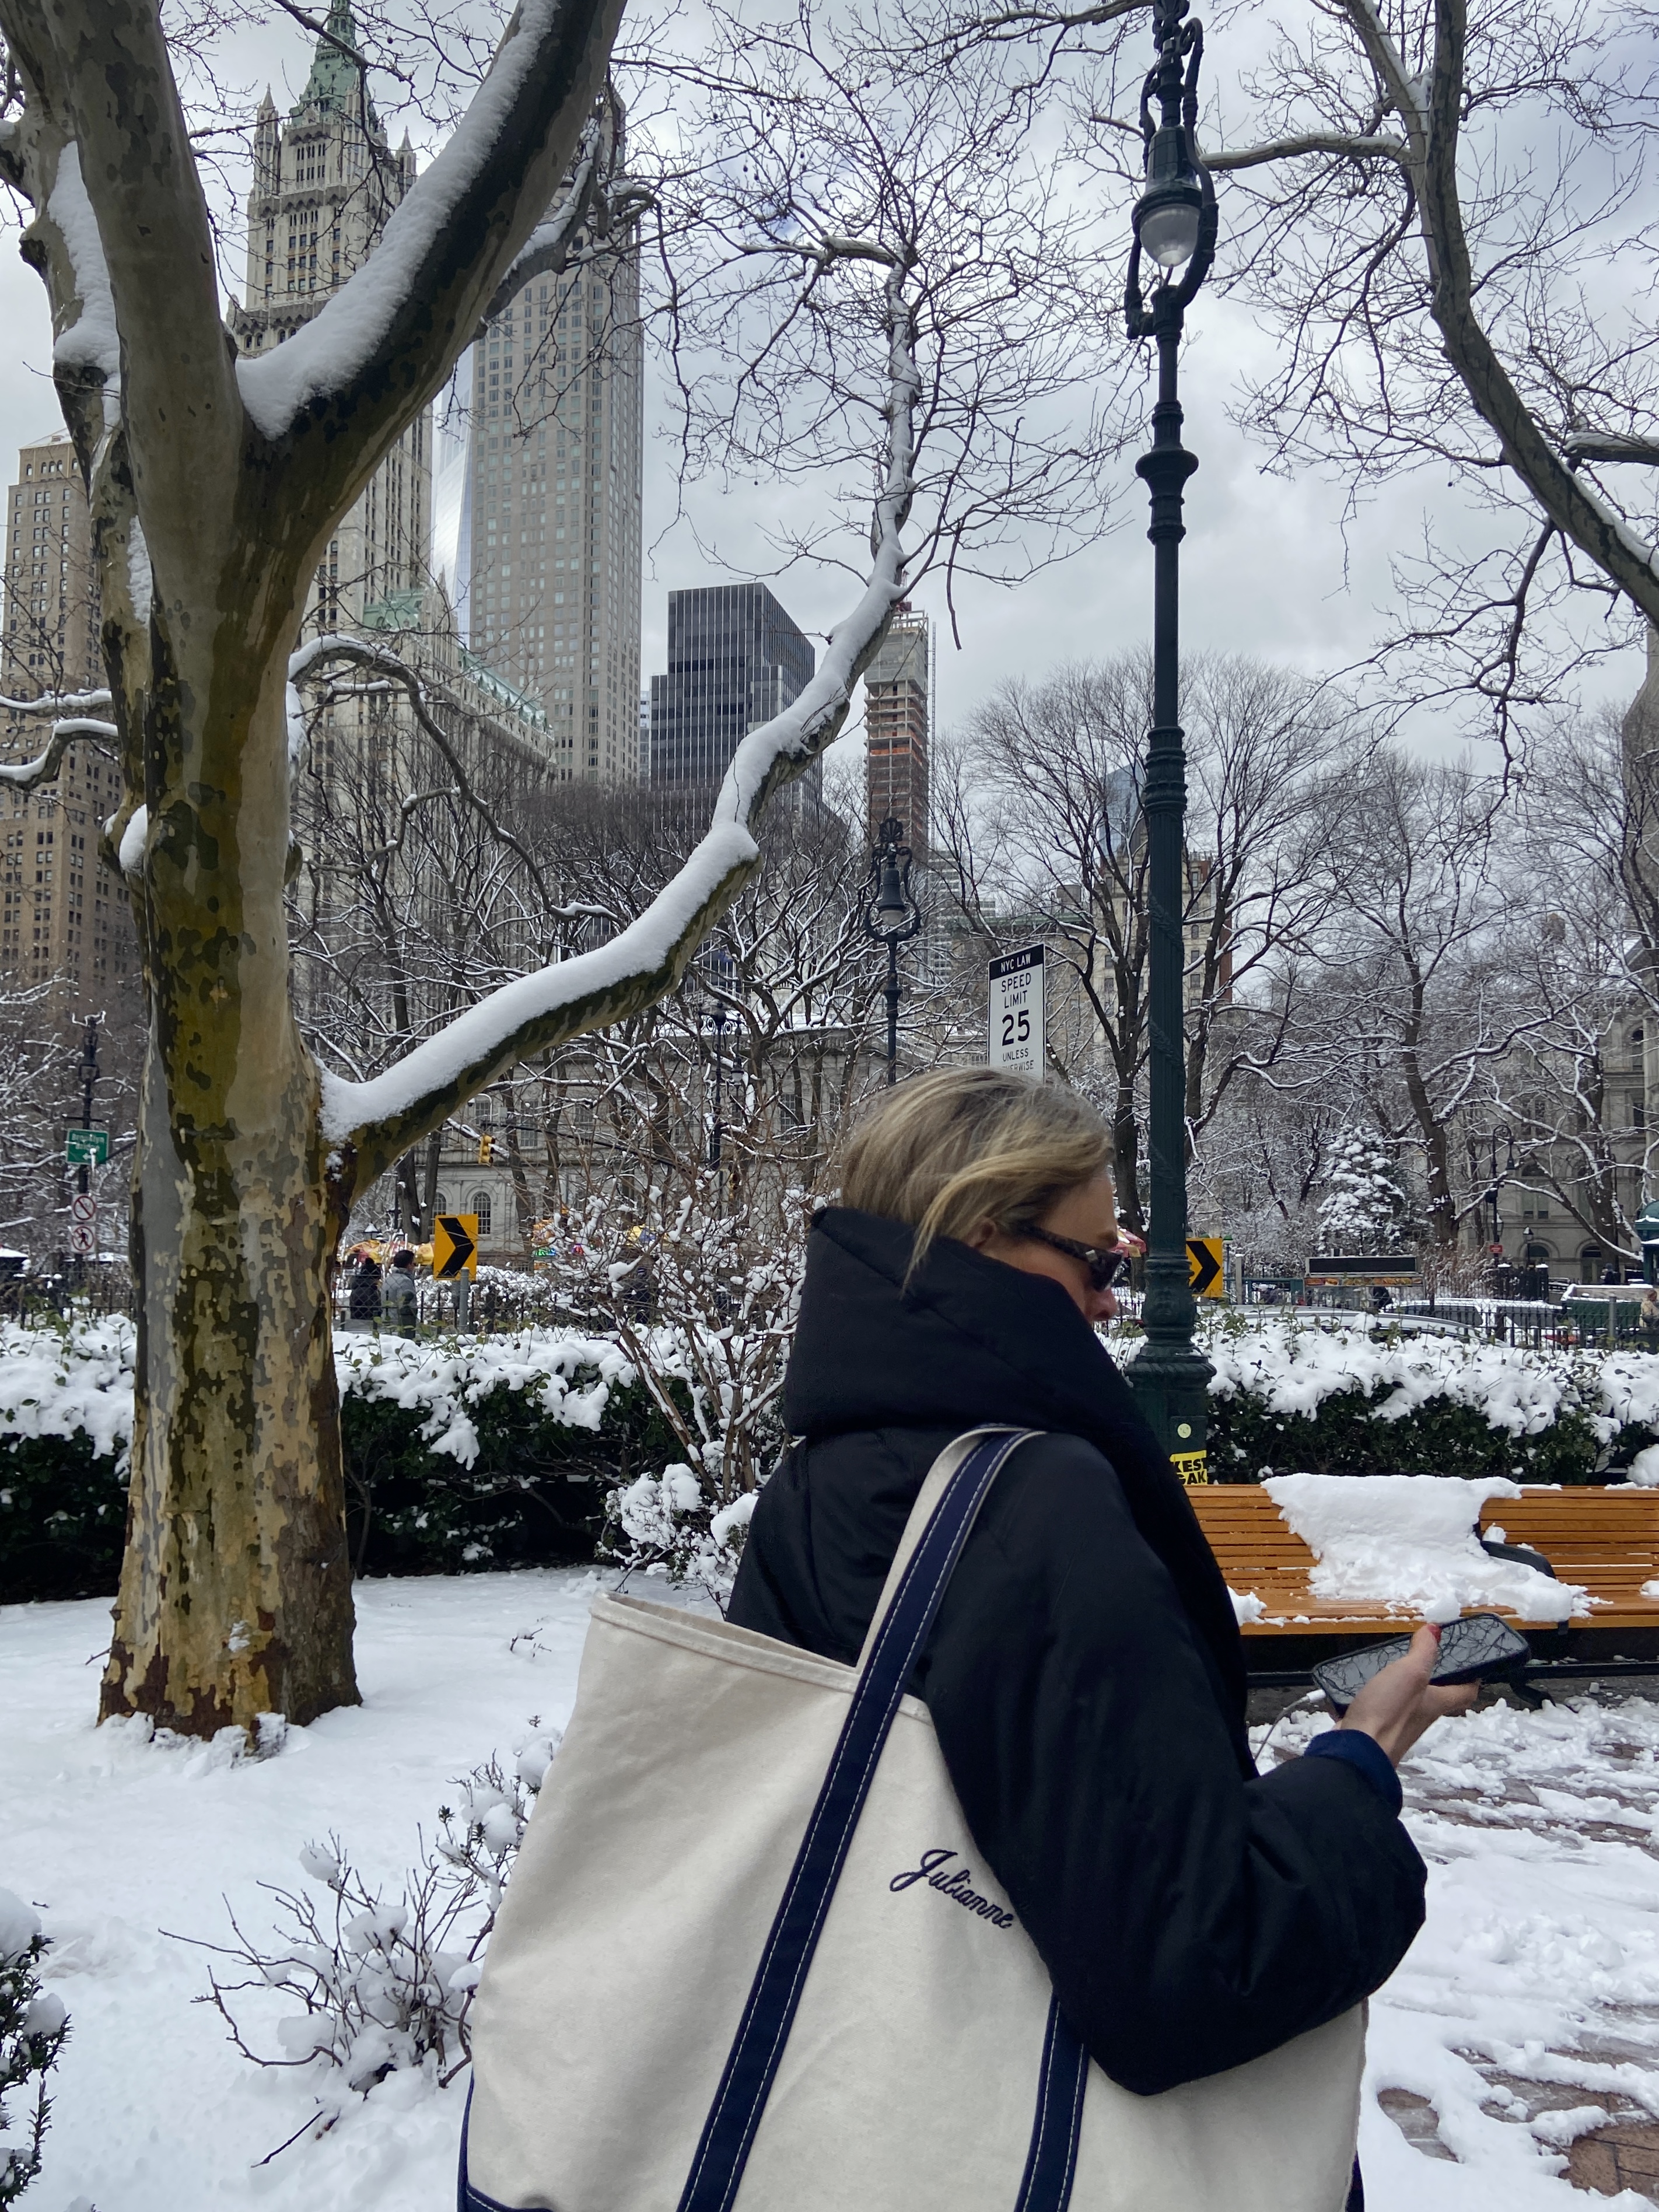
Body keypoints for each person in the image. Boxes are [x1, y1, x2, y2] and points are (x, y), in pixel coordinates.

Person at [728, 1068, 1475, 2210]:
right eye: (1095, 1260)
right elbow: (1198, 1962)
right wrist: (1359, 1760)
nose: (1111, 1301)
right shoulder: (1035, 1505)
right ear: (985, 1234)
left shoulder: (812, 1486)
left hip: (849, 2128)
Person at [382, 1247, 419, 1336]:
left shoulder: (389, 1279)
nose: (415, 1266)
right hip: (401, 1324)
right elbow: (408, 1306)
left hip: (387, 1320)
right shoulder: (405, 1281)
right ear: (409, 1265)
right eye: (414, 1263)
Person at [346, 1249, 382, 1328]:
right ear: (374, 1278)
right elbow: (375, 1311)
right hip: (368, 1325)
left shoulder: (357, 1288)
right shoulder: (370, 1291)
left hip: (355, 1324)